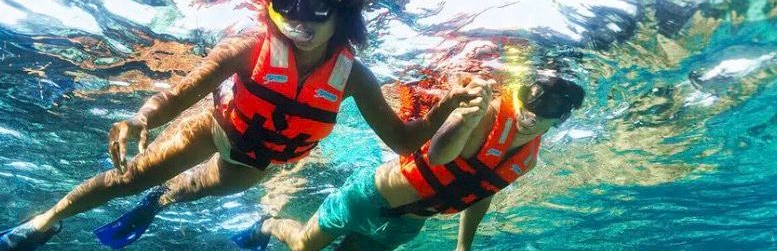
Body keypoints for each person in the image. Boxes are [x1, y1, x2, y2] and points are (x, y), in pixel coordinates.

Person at [0, 0, 485, 251]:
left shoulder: (354, 76)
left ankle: (158, 202)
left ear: (342, 14)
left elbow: (401, 141)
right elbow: (181, 90)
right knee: (125, 178)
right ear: (273, 4)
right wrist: (143, 115)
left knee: (182, 192)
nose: (299, 18)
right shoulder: (247, 49)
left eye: (316, 6)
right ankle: (43, 223)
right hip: (214, 130)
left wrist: (446, 106)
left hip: (254, 165)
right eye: (288, 2)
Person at [232, 74, 585, 251]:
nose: (530, 113)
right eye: (528, 100)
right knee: (303, 246)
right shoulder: (486, 116)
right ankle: (268, 223)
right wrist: (466, 118)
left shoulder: (529, 160)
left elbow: (482, 192)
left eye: (549, 110)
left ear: (563, 117)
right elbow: (438, 155)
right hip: (368, 199)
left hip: (407, 225)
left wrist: (463, 246)